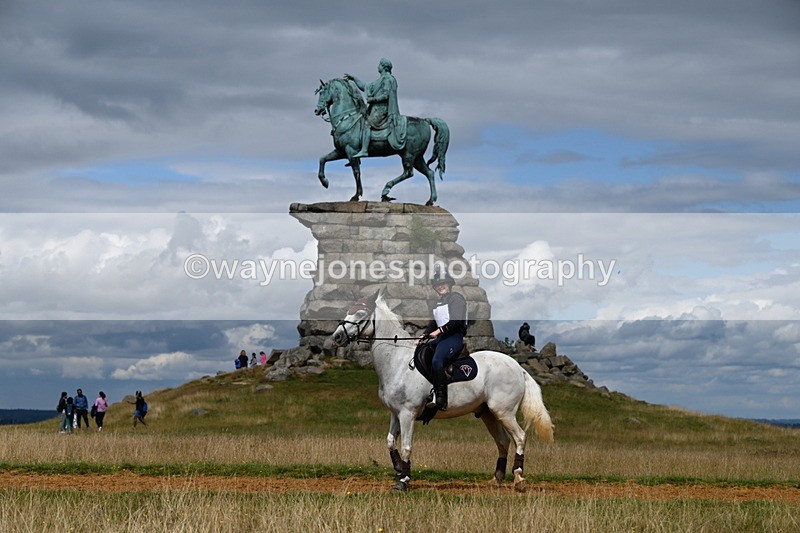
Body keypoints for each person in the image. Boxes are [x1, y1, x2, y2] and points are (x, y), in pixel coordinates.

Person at [418, 266, 468, 411]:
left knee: (437, 360)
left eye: (443, 284)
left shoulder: (456, 299)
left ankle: (441, 398)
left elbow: (456, 321)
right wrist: (424, 335)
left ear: (450, 284)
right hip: (442, 338)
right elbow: (433, 324)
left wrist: (438, 331)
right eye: (438, 285)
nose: (440, 287)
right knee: (422, 352)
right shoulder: (438, 303)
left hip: (454, 337)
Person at [344, 57, 406, 158]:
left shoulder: (388, 79)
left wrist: (373, 99)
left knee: (367, 123)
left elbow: (386, 95)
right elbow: (366, 87)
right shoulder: (380, 80)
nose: (378, 67)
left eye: (379, 65)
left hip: (383, 109)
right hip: (376, 108)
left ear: (384, 67)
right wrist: (354, 79)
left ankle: (364, 150)